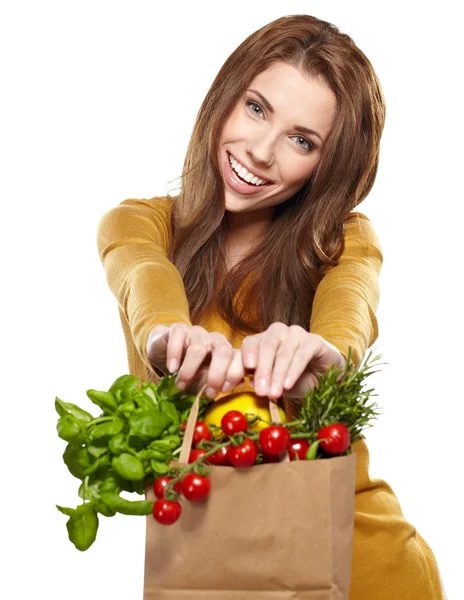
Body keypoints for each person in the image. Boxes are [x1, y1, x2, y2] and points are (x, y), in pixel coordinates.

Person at [96, 14, 445, 599]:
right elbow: (142, 278)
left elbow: (351, 305)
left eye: (302, 140)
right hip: (217, 567)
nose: (259, 152)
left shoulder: (341, 242)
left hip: (368, 567)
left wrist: (328, 354)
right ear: (226, 97)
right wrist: (165, 336)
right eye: (257, 108)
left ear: (326, 167)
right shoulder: (141, 226)